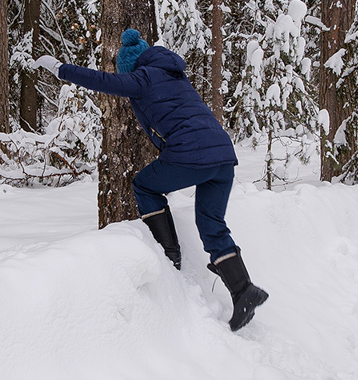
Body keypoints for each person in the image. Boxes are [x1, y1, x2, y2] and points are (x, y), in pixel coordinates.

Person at [35, 29, 268, 331]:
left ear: (129, 66)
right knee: (211, 223)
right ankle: (243, 290)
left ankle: (168, 253)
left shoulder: (142, 78)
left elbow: (103, 82)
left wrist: (59, 68)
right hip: (223, 156)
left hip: (192, 155)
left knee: (144, 185)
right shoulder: (175, 75)